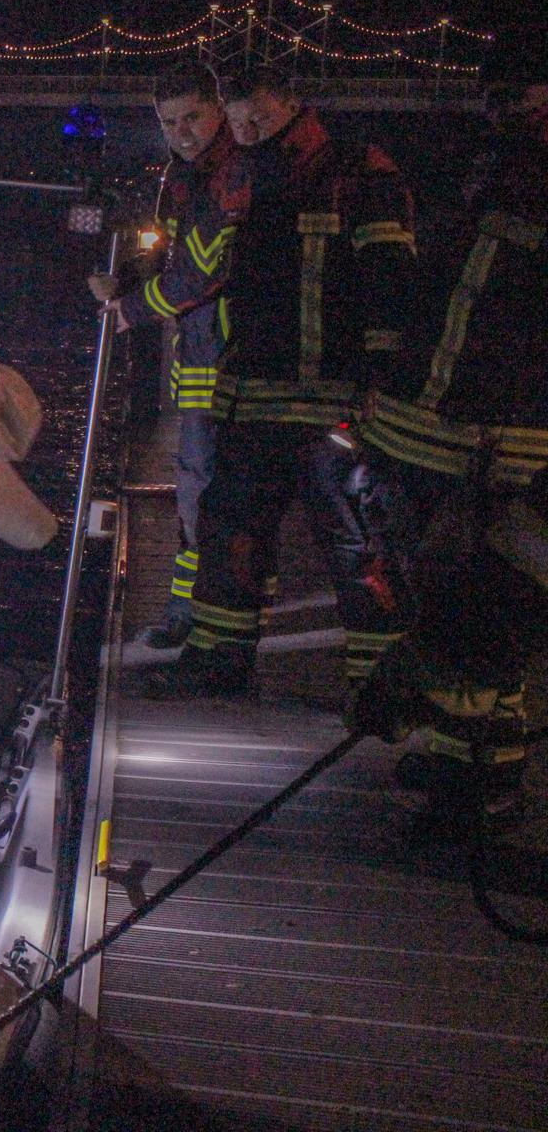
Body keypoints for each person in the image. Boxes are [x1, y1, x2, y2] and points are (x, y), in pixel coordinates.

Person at [144, 68, 416, 697]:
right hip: (253, 394)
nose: (249, 133)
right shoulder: (235, 179)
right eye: (238, 123)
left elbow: (390, 278)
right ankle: (218, 661)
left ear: (294, 104)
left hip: (330, 399)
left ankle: (379, 684)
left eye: (260, 118)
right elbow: (206, 276)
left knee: (357, 540)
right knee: (228, 531)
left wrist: (383, 379)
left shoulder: (356, 172)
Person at [346, 55, 548, 827]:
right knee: (475, 601)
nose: (505, 107)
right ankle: (471, 762)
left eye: (520, 92)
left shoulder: (508, 178)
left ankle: (478, 781)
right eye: (496, 94)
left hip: (498, 437)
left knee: (487, 600)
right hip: (454, 428)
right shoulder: (498, 172)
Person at [95, 65, 250, 647]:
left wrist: (131, 309)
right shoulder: (185, 176)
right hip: (205, 356)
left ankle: (197, 619)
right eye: (169, 123)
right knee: (201, 491)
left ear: (219, 110)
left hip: (228, 359)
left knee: (204, 492)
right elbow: (170, 260)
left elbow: (197, 274)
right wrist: (127, 283)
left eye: (192, 118)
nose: (182, 132)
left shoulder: (231, 175)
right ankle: (197, 613)